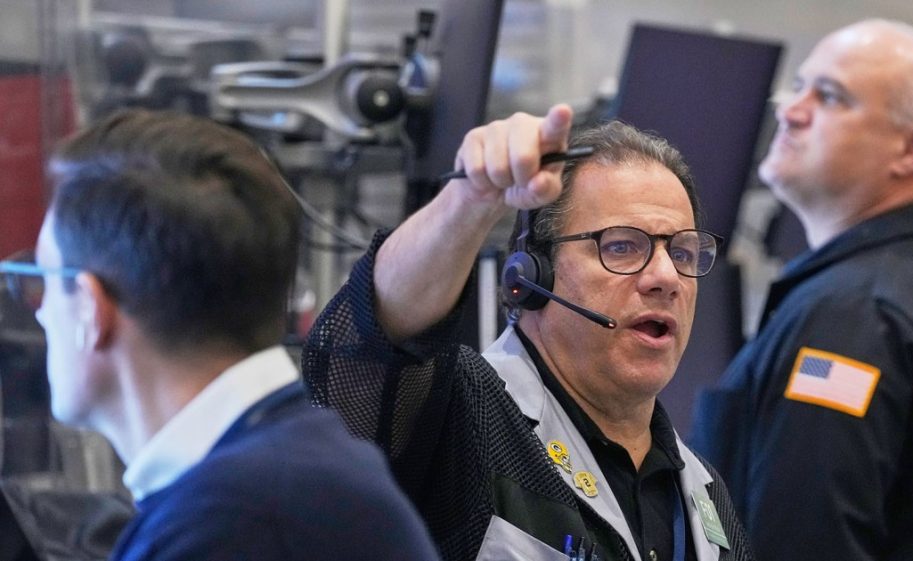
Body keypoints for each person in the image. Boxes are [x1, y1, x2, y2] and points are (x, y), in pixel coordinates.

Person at [302, 106, 753, 561]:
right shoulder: (462, 414)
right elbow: (369, 346)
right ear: (531, 276)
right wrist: (469, 201)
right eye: (622, 246)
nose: (666, 277)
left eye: (683, 252)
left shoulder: (708, 501)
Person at [5, 109, 440, 560]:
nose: (41, 316)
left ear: (92, 310)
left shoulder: (236, 520)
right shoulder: (283, 475)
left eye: (44, 282)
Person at [689, 19, 913, 561]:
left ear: (911, 147)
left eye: (829, 96)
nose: (791, 109)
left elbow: (802, 541)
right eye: (799, 86)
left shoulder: (852, 319)